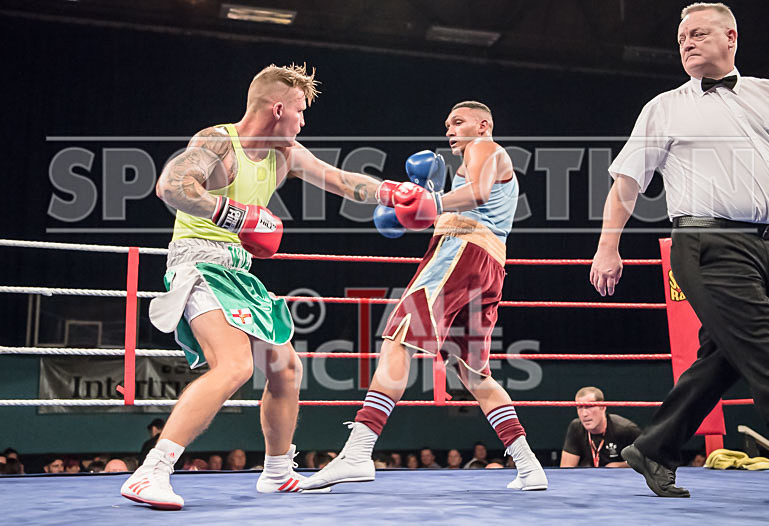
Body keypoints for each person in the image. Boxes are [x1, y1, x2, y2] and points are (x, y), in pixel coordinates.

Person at [121, 64, 383, 510]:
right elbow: (171, 186)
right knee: (235, 365)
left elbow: (341, 180)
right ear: (278, 108)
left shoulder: (286, 154)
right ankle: (151, 472)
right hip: (199, 261)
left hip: (240, 273)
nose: (303, 121)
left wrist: (397, 195)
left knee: (285, 368)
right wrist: (235, 215)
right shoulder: (217, 142)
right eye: (300, 111)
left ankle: (278, 473)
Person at [589, 2, 769, 497]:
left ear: (731, 37)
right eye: (682, 36)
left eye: (699, 33)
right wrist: (607, 247)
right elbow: (626, 181)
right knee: (768, 355)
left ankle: (654, 446)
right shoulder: (665, 106)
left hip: (762, 249)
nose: (687, 42)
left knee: (724, 358)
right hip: (705, 244)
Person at [301, 101, 548, 492]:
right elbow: (467, 204)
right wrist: (421, 211)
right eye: (448, 124)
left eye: (459, 122)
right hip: (488, 266)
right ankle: (530, 465)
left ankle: (357, 454)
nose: (450, 129)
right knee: (472, 372)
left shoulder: (485, 148)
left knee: (398, 340)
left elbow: (479, 194)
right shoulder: (474, 168)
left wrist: (431, 204)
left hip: (460, 255)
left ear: (483, 125)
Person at [560, 387, 640, 468]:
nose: (584, 414)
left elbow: (645, 464)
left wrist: (619, 466)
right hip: (586, 478)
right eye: (579, 407)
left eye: (589, 407)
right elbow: (566, 469)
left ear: (603, 407)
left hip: (621, 479)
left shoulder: (626, 429)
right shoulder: (576, 427)